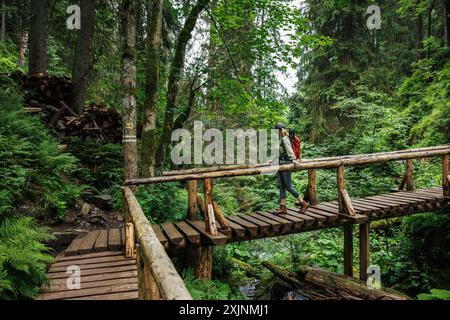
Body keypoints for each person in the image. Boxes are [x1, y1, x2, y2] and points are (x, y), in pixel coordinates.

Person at [274, 122, 309, 214]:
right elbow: (280, 152)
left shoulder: (285, 138)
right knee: (281, 186)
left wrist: (293, 160)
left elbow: (289, 150)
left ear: (280, 130)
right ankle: (283, 207)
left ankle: (303, 203)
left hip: (286, 164)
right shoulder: (281, 139)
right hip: (280, 164)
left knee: (288, 186)